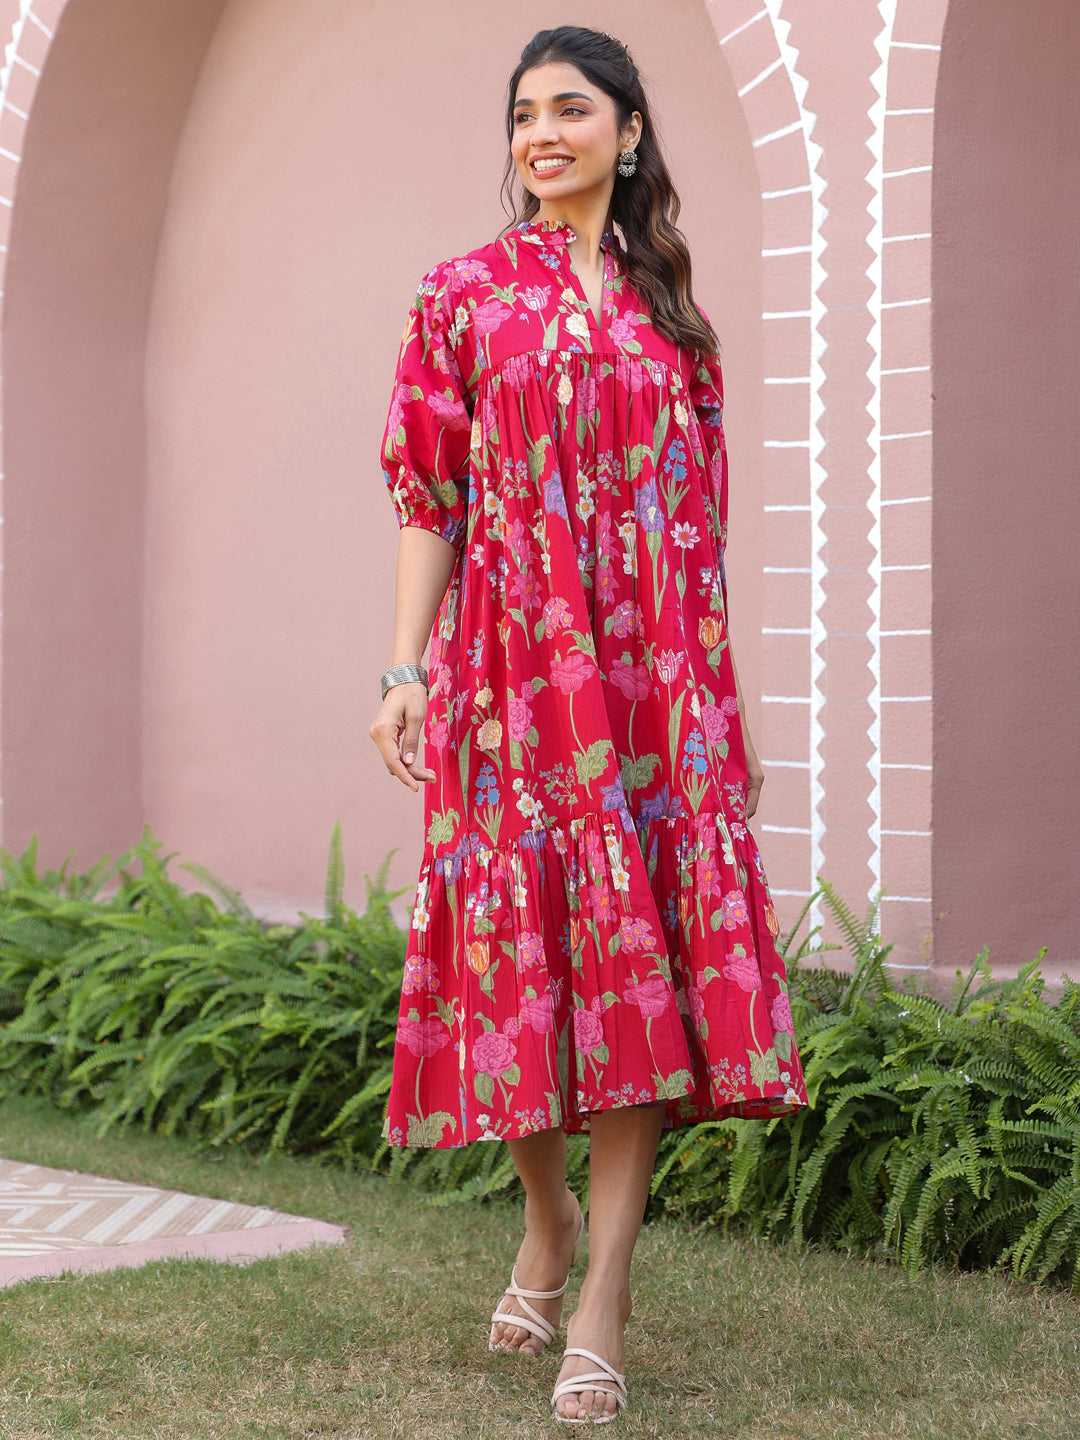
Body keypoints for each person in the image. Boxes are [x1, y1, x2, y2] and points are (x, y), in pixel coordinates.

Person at [369, 24, 810, 1425]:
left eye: (571, 109)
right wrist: (402, 669)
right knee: (517, 978)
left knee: (632, 982)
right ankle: (545, 1221)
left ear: (629, 134)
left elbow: (701, 535)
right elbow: (429, 500)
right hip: (512, 683)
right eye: (522, 115)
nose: (542, 132)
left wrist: (712, 711)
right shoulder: (462, 299)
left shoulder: (675, 318)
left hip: (650, 690)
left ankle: (602, 1292)